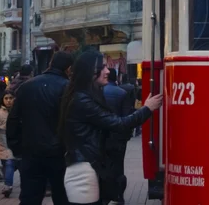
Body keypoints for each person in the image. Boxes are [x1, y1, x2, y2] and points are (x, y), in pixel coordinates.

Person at [60, 51, 163, 205]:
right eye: (103, 67)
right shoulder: (82, 100)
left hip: (87, 168)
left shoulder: (84, 96)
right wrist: (147, 109)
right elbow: (118, 124)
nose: (108, 71)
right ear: (90, 71)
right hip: (83, 173)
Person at [6, 52, 74, 205]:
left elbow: (13, 120)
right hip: (59, 154)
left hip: (31, 152)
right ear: (68, 69)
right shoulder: (67, 88)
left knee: (30, 197)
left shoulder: (27, 87)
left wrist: (17, 147)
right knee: (63, 197)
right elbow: (72, 123)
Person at [103, 68, 133, 205]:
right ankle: (118, 195)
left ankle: (104, 195)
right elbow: (127, 117)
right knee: (118, 167)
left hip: (101, 138)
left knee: (103, 166)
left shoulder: (97, 91)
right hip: (118, 138)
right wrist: (126, 137)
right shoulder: (122, 93)